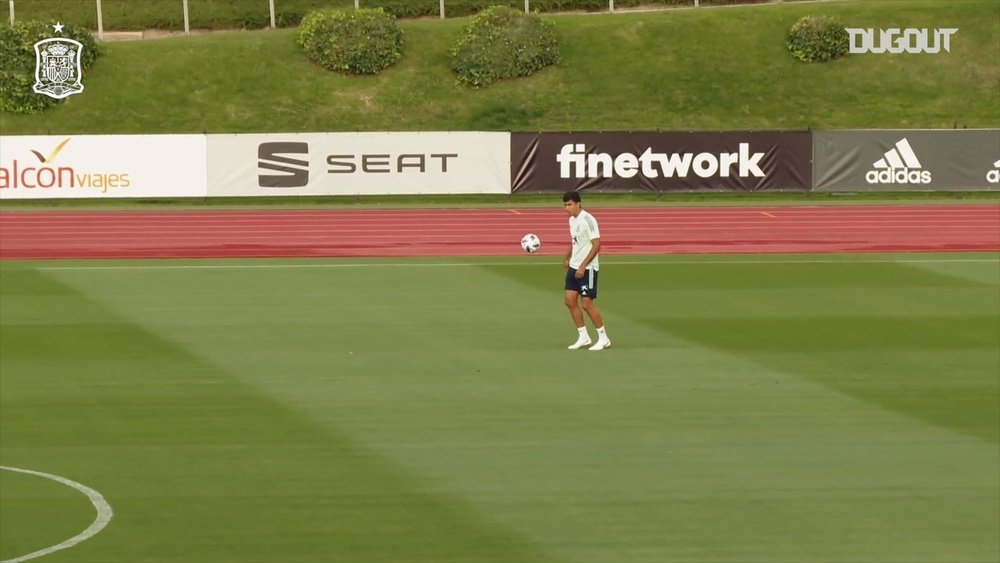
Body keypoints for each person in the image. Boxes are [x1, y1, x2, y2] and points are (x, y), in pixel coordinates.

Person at [562, 191, 611, 351]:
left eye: (569, 204)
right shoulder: (572, 220)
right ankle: (583, 336)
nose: (567, 208)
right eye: (565, 205)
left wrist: (583, 266)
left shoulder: (588, 220)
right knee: (569, 300)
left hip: (588, 268)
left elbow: (597, 245)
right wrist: (568, 256)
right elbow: (575, 241)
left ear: (578, 203)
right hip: (574, 266)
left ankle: (603, 338)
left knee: (587, 304)